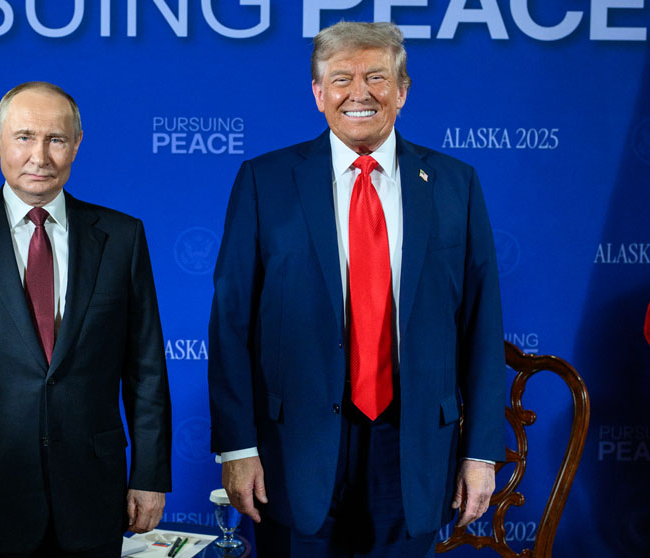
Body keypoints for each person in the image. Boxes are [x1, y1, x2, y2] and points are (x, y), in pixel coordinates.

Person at [208, 21, 505, 557]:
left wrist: (481, 451)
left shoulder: (455, 184)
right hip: (291, 448)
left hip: (414, 444)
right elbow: (230, 323)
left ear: (402, 90)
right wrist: (237, 447)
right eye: (341, 79)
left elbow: (482, 327)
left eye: (377, 77)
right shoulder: (264, 181)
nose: (359, 93)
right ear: (318, 93)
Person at [0, 81, 171, 558]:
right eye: (24, 137)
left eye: (56, 139)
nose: (39, 156)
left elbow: (146, 369)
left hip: (92, 494)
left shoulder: (122, 237)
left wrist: (149, 476)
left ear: (78, 144)